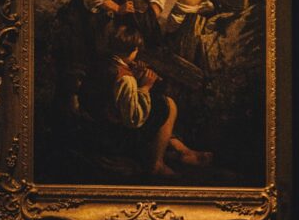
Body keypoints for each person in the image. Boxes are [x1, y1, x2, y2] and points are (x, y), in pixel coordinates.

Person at [78, 24, 212, 178]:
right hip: (114, 134)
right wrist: (145, 87)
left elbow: (114, 96)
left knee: (160, 104)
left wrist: (134, 76)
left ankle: (183, 151)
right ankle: (157, 164)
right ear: (134, 50)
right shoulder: (125, 78)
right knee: (167, 105)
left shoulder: (105, 64)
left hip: (102, 124)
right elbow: (133, 118)